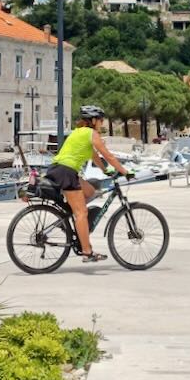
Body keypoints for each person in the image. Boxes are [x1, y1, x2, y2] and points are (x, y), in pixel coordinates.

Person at [45, 105, 133, 262]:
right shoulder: (91, 133)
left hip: (59, 169)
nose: (102, 123)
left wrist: (106, 172)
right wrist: (126, 172)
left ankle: (70, 218)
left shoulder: (79, 132)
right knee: (82, 213)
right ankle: (87, 252)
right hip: (66, 172)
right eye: (100, 120)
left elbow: (95, 156)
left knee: (90, 191)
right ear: (93, 121)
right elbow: (109, 156)